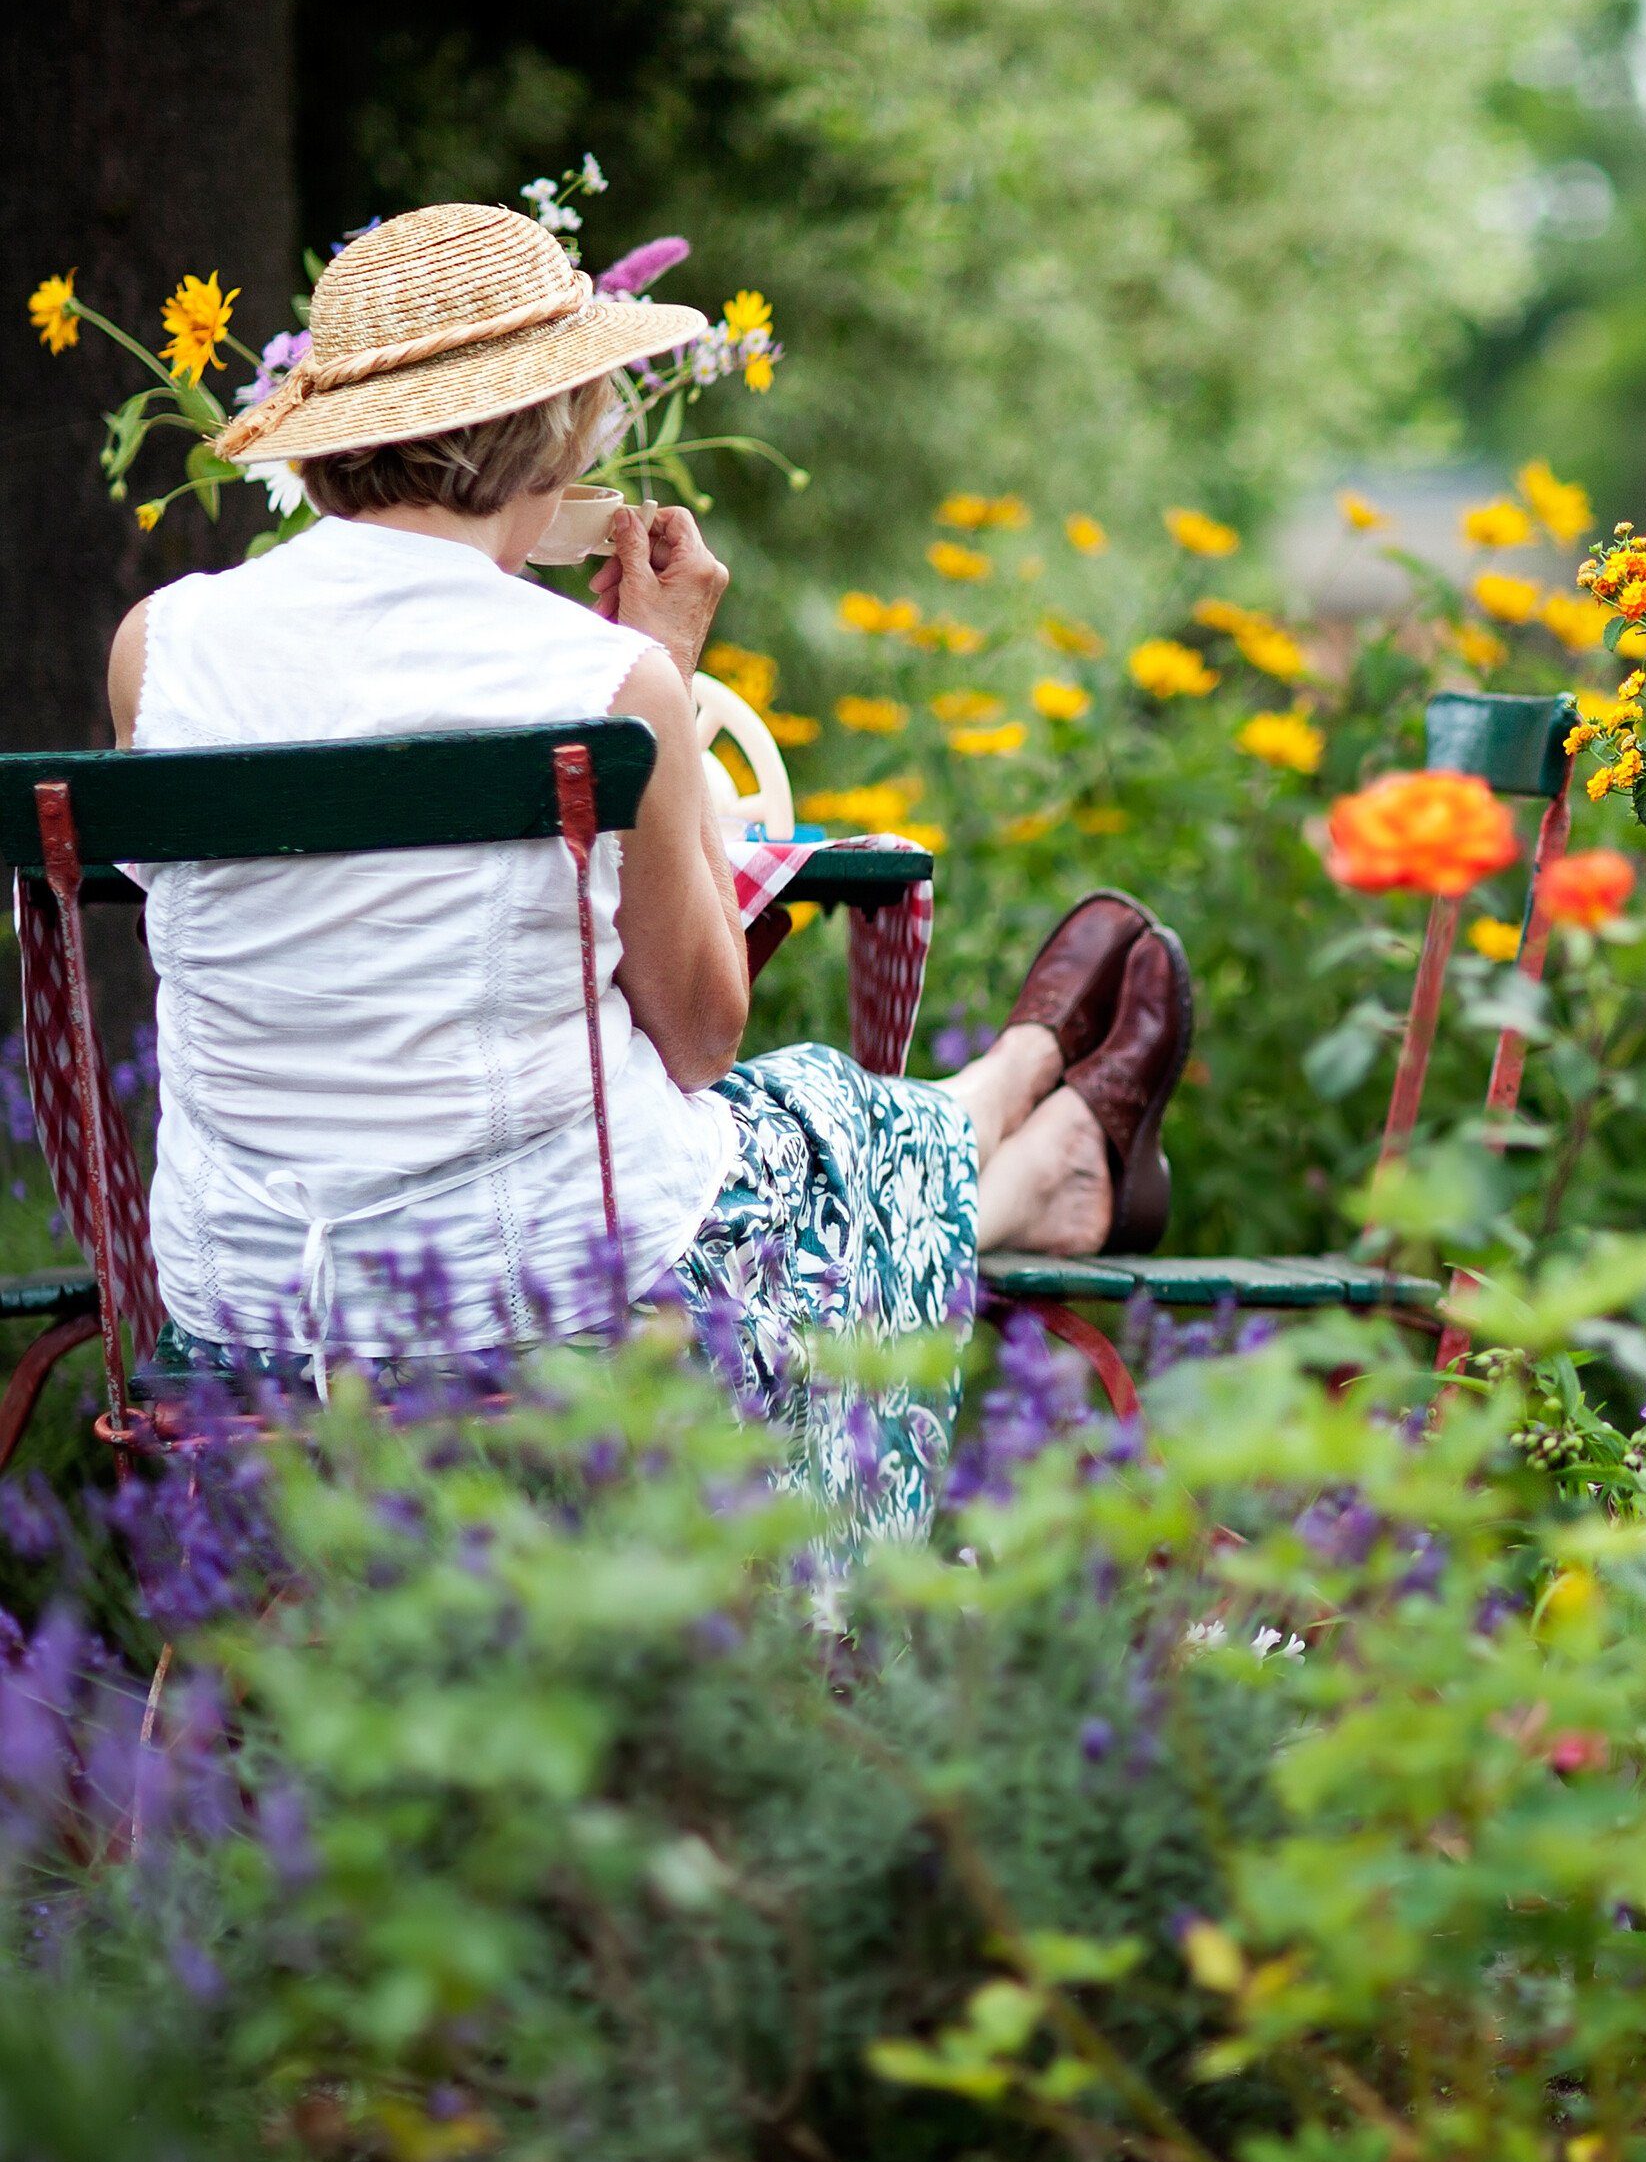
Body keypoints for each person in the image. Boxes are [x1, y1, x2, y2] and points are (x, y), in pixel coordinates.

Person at [108, 201, 1189, 1604]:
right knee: (807, 1112)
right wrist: (663, 675)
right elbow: (694, 1041)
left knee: (793, 1132)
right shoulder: (599, 685)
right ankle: (1022, 1127)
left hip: (248, 1296)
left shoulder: (163, 648)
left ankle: (1029, 1136)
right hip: (539, 1293)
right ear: (562, 435)